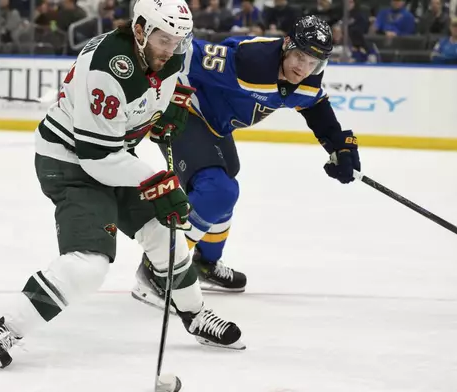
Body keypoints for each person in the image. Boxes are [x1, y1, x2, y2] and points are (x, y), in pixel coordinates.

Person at [0, 0, 246, 372]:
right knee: (88, 265)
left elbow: (161, 91)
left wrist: (164, 113)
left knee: (164, 233)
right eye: (164, 39)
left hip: (115, 157)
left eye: (178, 40)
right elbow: (97, 157)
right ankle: (1, 333)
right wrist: (158, 183)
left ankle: (195, 315)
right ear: (140, 29)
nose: (171, 48)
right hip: (71, 163)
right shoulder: (108, 67)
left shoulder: (165, 53)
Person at [132, 15, 361, 304]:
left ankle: (206, 264)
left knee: (226, 183)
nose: (303, 68)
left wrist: (339, 144)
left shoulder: (307, 77)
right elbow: (185, 52)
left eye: (313, 62)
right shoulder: (250, 61)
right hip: (186, 111)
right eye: (300, 56)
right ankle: (156, 269)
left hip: (216, 122)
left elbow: (315, 105)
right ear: (287, 45)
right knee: (217, 191)